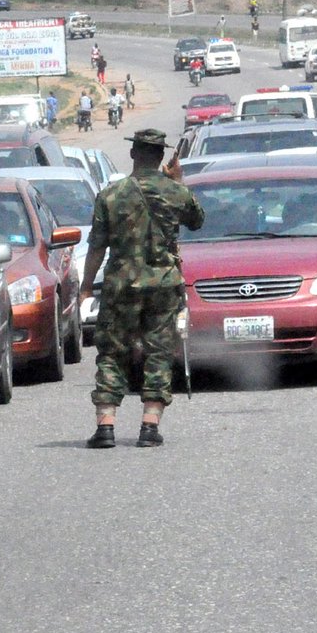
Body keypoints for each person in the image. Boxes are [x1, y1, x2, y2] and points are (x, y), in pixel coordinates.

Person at [78, 130, 205, 449]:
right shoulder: (175, 192)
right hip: (163, 286)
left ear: (133, 154)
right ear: (160, 158)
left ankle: (105, 426)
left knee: (112, 353)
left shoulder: (110, 195)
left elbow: (96, 248)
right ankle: (150, 425)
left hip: (120, 286)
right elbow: (197, 220)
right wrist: (178, 181)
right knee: (159, 352)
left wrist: (85, 289)